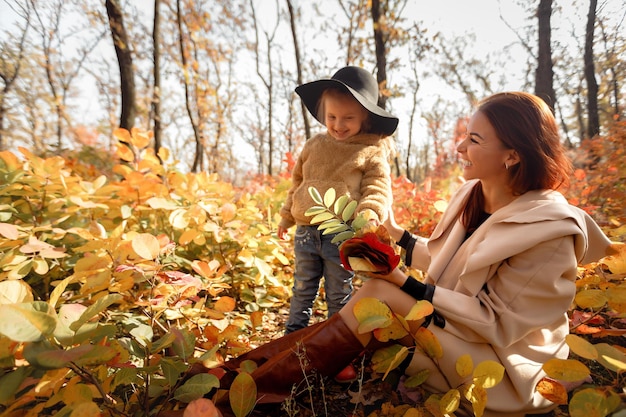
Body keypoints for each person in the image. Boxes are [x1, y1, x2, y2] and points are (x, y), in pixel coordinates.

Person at [185, 92, 616, 417]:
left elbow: (496, 323)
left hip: (504, 366)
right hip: (456, 330)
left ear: (512, 156)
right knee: (372, 300)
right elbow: (447, 262)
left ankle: (232, 399)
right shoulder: (475, 194)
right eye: (465, 135)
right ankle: (230, 380)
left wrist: (401, 283)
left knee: (381, 293)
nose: (460, 148)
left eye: (474, 139)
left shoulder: (549, 233)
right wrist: (399, 236)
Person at [277, 66, 398, 335]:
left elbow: (378, 188)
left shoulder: (370, 150)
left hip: (340, 234)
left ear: (365, 118)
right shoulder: (314, 145)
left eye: (348, 118)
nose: (338, 125)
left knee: (338, 294)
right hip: (306, 233)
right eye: (332, 116)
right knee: (302, 291)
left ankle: (336, 343)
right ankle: (292, 340)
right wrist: (286, 216)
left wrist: (369, 214)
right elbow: (298, 183)